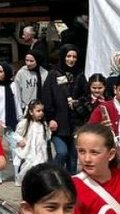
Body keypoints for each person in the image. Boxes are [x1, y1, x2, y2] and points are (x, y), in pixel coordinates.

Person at [41, 45, 88, 174]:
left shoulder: (79, 74)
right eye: (68, 56)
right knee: (62, 153)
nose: (71, 59)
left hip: (75, 124)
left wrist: (78, 102)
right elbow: (46, 98)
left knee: (73, 159)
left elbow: (86, 95)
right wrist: (50, 119)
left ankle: (70, 186)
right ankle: (52, 176)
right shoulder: (53, 74)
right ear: (63, 57)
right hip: (58, 123)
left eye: (74, 57)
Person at [14, 100, 51, 185]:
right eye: (38, 111)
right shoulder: (25, 123)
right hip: (29, 152)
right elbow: (16, 135)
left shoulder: (43, 125)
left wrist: (49, 130)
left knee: (40, 168)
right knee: (28, 168)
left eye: (42, 111)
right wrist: (20, 140)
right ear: (31, 112)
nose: (41, 113)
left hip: (40, 152)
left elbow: (47, 137)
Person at [13, 50, 48, 118]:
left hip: (41, 110)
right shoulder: (21, 73)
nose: (28, 63)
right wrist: (20, 110)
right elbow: (17, 93)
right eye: (27, 60)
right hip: (27, 110)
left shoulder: (44, 73)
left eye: (31, 61)